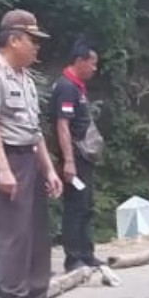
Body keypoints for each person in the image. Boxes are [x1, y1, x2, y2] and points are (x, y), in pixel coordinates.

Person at [0, 10, 63, 298]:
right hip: (8, 158)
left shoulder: (26, 79)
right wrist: (3, 169)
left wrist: (49, 170)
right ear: (14, 40)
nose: (37, 47)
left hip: (30, 158)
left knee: (37, 233)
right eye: (32, 40)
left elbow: (34, 131)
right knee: (13, 234)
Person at [49, 39, 105, 272]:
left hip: (84, 156)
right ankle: (73, 258)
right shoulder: (66, 87)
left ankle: (87, 253)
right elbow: (62, 125)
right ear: (80, 61)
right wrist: (69, 161)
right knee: (75, 206)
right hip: (74, 156)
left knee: (86, 205)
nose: (94, 68)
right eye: (92, 63)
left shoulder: (77, 87)